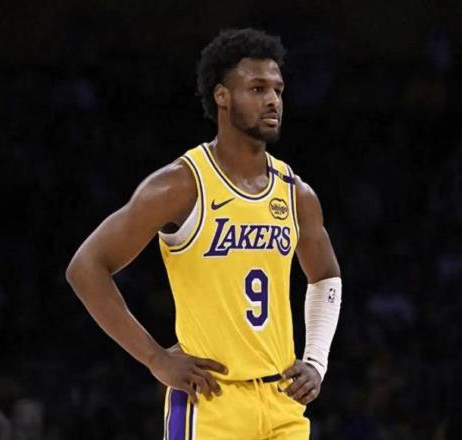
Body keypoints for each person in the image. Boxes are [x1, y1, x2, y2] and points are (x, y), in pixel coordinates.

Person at [66, 28, 342, 440]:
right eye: (257, 88)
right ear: (222, 96)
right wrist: (155, 358)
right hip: (210, 400)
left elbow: (326, 277)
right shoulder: (181, 185)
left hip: (282, 400)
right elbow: (86, 267)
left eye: (278, 90)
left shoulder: (296, 193)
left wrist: (316, 360)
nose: (273, 100)